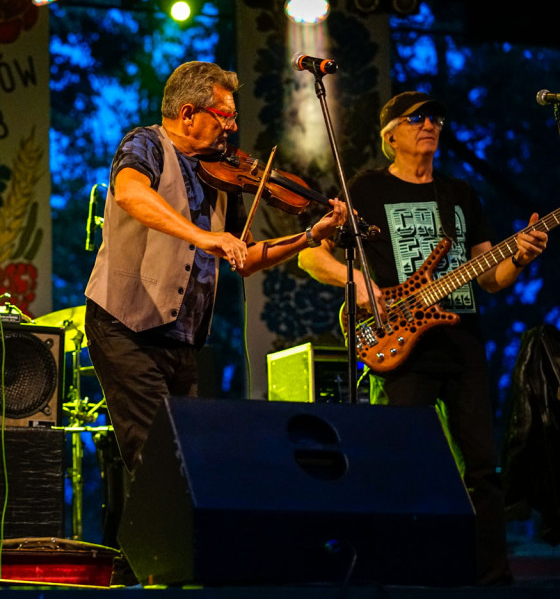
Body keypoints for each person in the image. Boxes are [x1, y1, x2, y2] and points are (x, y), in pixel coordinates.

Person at [298, 91, 548, 586]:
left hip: (462, 344)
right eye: (416, 118)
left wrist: (519, 256)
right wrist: (359, 282)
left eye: (435, 118)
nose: (429, 124)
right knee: (398, 462)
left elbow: (489, 277)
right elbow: (310, 255)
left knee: (481, 469)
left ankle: (491, 578)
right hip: (398, 344)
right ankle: (398, 574)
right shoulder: (366, 189)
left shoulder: (460, 193)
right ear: (390, 135)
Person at [83, 60, 347, 474]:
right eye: (225, 116)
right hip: (125, 326)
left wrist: (310, 236)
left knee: (189, 461)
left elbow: (246, 257)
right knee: (157, 459)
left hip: (183, 340)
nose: (232, 127)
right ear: (188, 114)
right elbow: (129, 193)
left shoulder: (222, 173)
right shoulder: (146, 144)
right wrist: (205, 236)